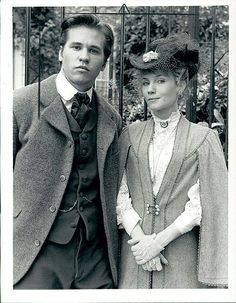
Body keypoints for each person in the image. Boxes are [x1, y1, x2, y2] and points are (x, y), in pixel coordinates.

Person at [13, 14, 122, 289]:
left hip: (95, 258)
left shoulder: (112, 118)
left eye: (94, 50)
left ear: (104, 62)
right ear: (61, 53)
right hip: (36, 251)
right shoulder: (22, 105)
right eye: (76, 47)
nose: (84, 56)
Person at [117, 33, 228, 289]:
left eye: (160, 80)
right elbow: (119, 194)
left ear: (180, 84)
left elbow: (205, 202)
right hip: (135, 255)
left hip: (180, 258)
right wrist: (143, 242)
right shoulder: (129, 135)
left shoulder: (203, 139)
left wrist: (158, 242)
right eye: (145, 82)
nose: (151, 89)